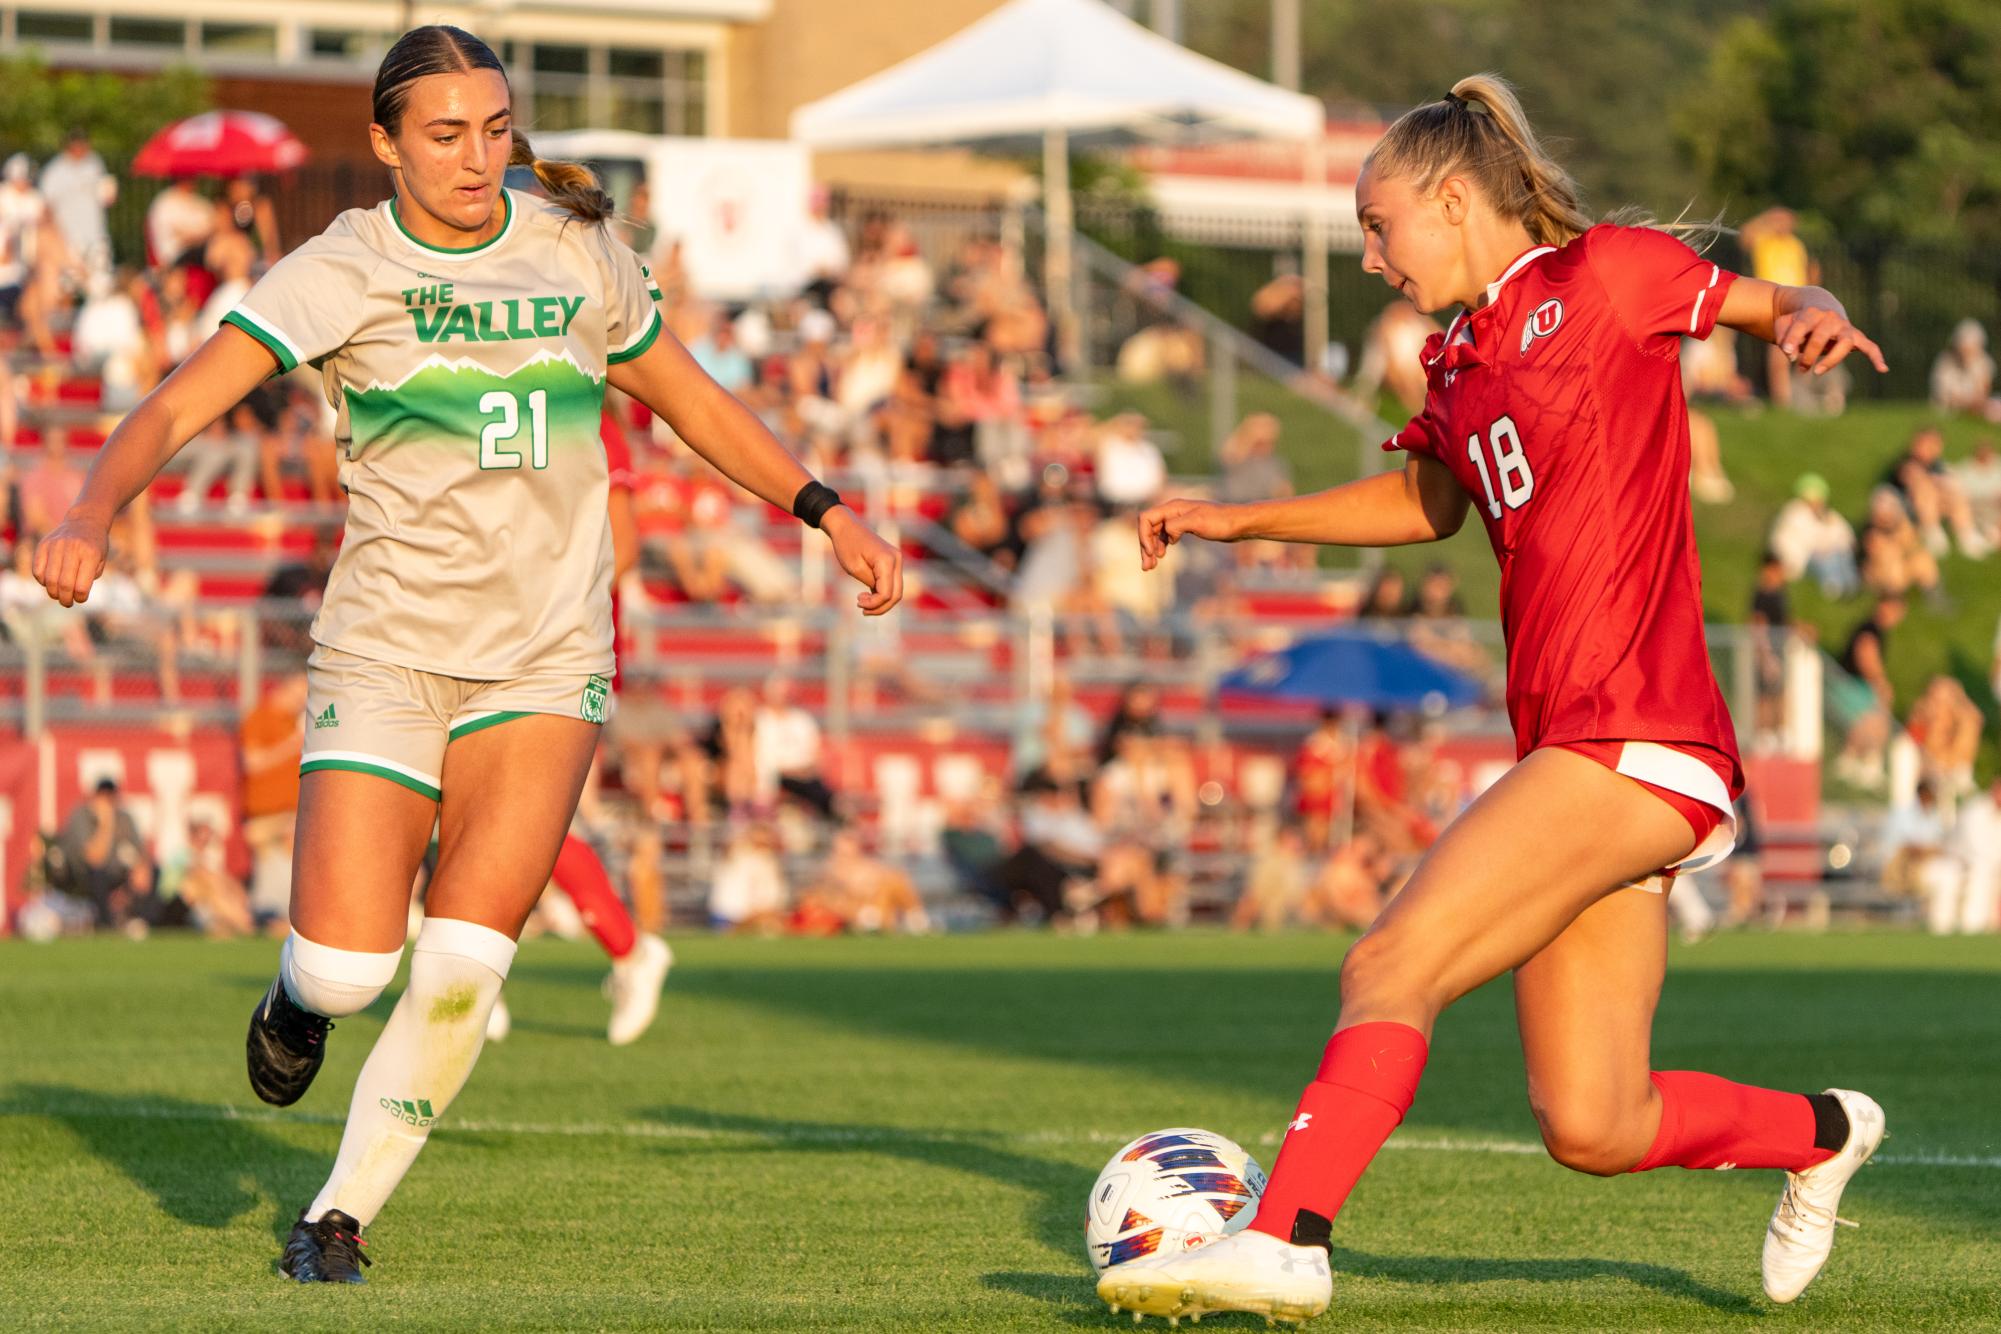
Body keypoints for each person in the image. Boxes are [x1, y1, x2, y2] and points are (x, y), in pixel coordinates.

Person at [30, 24, 903, 1286]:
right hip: (387, 647)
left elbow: (697, 399)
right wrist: (87, 509)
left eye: (495, 129)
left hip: (548, 657)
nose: (476, 156)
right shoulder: (343, 267)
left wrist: (826, 507)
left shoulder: (576, 249)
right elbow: (173, 402)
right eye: (444, 133)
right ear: (384, 144)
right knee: (345, 966)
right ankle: (291, 999)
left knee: (462, 964)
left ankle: (336, 1214)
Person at [1105, 75, 1888, 1323]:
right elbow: (1429, 502)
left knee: (1390, 959)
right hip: (1578, 745)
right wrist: (1238, 516)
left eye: (1379, 227)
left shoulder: (1610, 274)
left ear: (1456, 199)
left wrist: (1813, 313)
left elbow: (1782, 296)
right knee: (1594, 1118)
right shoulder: (1458, 356)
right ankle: (1824, 1132)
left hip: (1639, 727)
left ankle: (1289, 1235)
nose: (1370, 258)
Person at [1767, 472, 1857, 597]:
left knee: (1841, 556)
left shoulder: (1828, 515)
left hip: (1829, 552)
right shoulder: (1794, 514)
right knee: (1826, 560)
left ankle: (1850, 584)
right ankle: (1833, 587)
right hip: (1804, 558)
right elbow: (1786, 543)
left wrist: (1841, 544)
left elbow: (1842, 533)